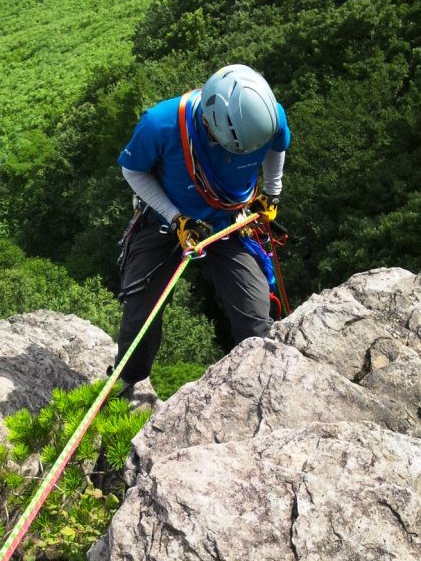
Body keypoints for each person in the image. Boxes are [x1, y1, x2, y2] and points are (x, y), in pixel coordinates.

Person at [113, 63, 291, 390]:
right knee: (141, 314)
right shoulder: (161, 124)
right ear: (210, 124)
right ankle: (127, 379)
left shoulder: (267, 118)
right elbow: (133, 171)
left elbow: (278, 145)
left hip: (228, 219)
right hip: (167, 219)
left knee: (254, 317)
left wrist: (272, 193)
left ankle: (258, 386)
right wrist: (175, 217)